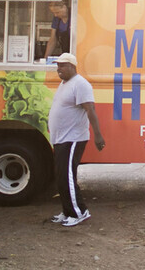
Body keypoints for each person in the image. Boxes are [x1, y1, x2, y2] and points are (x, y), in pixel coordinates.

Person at [47, 52, 105, 227]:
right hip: (60, 139)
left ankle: (79, 212)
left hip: (73, 139)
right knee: (61, 176)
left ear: (72, 67)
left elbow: (91, 110)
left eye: (63, 65)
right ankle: (68, 211)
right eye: (58, 65)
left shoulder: (80, 84)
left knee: (67, 177)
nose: (59, 69)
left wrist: (98, 136)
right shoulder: (64, 84)